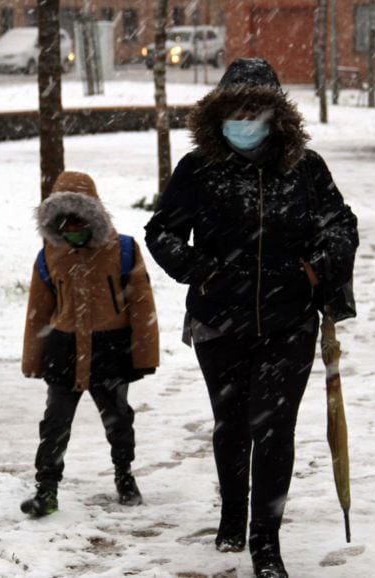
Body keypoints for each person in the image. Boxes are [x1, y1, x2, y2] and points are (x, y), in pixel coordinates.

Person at [144, 59, 358, 577]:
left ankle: (266, 542)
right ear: (218, 112)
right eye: (235, 108)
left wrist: (312, 271)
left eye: (255, 108)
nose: (244, 118)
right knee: (232, 425)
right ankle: (232, 513)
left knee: (275, 430)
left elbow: (341, 226)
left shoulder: (305, 168)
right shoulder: (198, 170)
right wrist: (205, 271)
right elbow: (161, 233)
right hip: (220, 323)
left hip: (289, 323)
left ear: (275, 115)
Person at [20, 170, 160, 518]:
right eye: (63, 222)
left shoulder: (123, 249)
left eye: (79, 220)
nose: (72, 229)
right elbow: (38, 311)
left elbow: (142, 303)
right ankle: (46, 490)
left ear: (94, 216)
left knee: (118, 419)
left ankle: (124, 476)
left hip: (110, 350)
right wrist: (33, 359)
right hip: (64, 350)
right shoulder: (49, 255)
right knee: (55, 422)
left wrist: (143, 353)